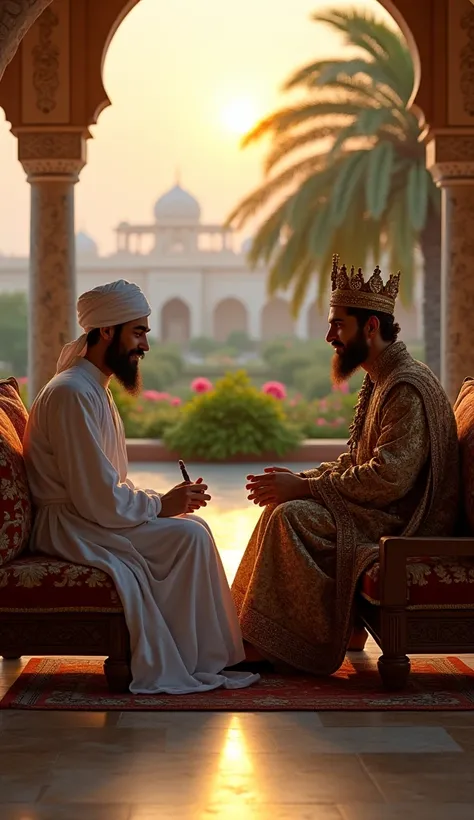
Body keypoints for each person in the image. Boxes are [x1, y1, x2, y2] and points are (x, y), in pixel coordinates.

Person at [23, 280, 259, 694]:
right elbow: (95, 497)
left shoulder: (91, 388)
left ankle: (205, 657)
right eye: (138, 332)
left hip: (88, 515)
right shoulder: (71, 393)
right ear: (107, 331)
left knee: (195, 530)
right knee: (188, 537)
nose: (145, 346)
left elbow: (103, 487)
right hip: (72, 526)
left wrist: (165, 503)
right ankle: (196, 659)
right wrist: (159, 505)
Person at [232, 256, 460, 675]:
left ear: (370, 327)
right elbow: (358, 460)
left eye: (339, 324)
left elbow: (389, 477)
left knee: (291, 519)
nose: (329, 336)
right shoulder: (382, 377)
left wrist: (302, 490)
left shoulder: (406, 386)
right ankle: (254, 634)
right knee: (282, 511)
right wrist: (303, 479)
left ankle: (275, 644)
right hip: (384, 509)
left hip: (405, 523)